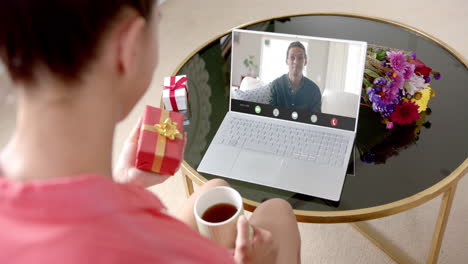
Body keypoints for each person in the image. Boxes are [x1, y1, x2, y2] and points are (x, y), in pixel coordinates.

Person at [0, 1, 301, 264]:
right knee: (278, 213)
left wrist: (119, 185)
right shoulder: (165, 253)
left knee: (213, 189)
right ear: (128, 49)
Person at [269, 41, 322, 112]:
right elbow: (269, 116)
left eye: (300, 58)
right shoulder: (275, 86)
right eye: (292, 57)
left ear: (305, 61)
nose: (296, 62)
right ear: (286, 61)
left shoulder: (314, 91)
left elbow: (315, 120)